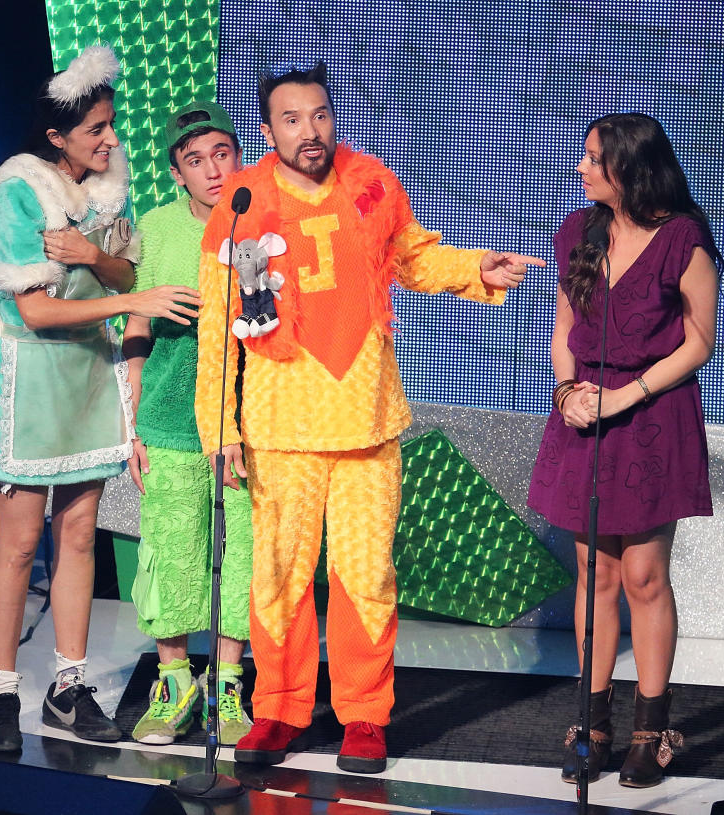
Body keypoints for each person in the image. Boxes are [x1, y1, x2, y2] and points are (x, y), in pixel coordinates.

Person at [193, 62, 543, 773]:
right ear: (267, 130)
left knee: (365, 574)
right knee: (280, 573)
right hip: (279, 425)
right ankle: (280, 709)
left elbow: (413, 257)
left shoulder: (372, 182)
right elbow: (216, 324)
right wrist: (219, 427)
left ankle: (363, 714)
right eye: (292, 120)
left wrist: (479, 268)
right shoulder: (244, 199)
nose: (311, 130)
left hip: (367, 420)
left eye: (320, 115)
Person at [0, 46, 200, 753]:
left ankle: (68, 687)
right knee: (21, 538)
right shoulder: (17, 191)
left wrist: (99, 262)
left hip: (88, 374)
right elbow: (33, 311)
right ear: (57, 137)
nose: (112, 139)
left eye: (112, 124)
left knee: (77, 531)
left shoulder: (104, 187)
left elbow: (122, 263)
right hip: (28, 379)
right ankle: (4, 692)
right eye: (97, 129)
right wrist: (131, 298)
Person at [528, 112, 720, 788]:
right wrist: (565, 391)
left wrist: (625, 395)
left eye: (591, 159)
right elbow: (563, 329)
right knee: (596, 578)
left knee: (643, 577)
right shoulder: (580, 232)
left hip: (651, 418)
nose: (579, 169)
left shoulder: (683, 239)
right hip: (585, 418)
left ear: (629, 169)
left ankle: (651, 728)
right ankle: (594, 721)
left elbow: (699, 342)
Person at [122, 101, 254, 746]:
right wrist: (134, 425)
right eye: (194, 160)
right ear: (177, 172)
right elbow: (137, 327)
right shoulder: (155, 229)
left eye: (222, 154)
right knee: (173, 550)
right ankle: (174, 681)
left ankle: (228, 685)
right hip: (171, 417)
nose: (212, 169)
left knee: (246, 552)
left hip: (253, 419)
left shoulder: (268, 221)